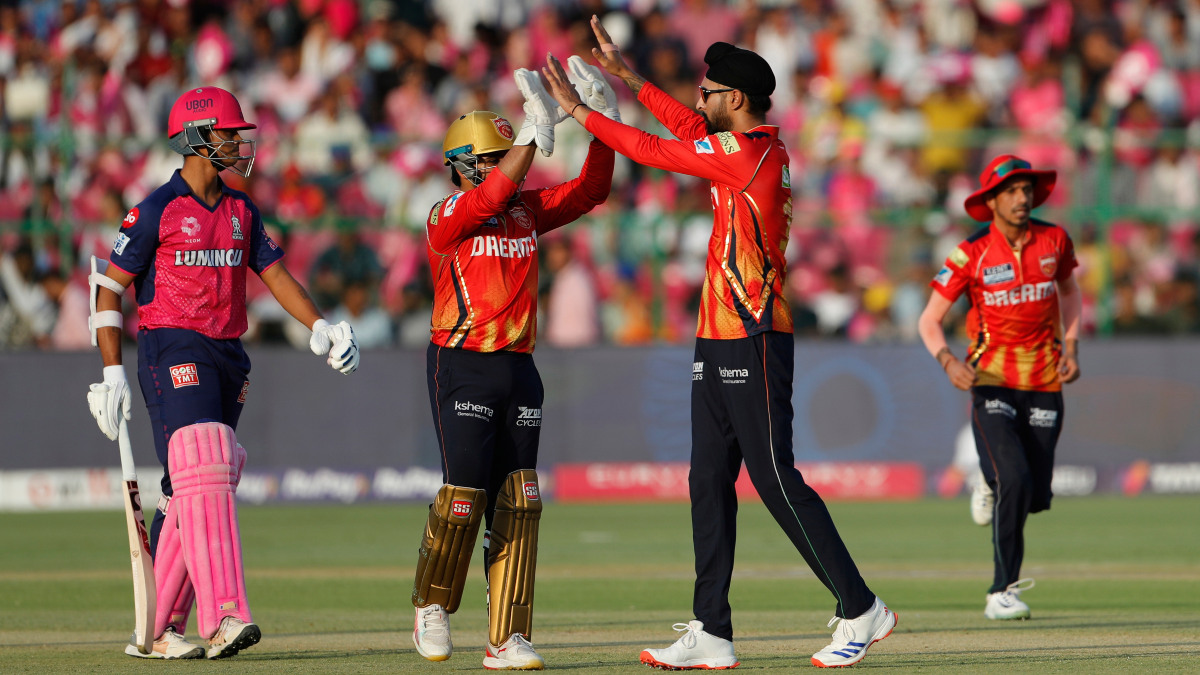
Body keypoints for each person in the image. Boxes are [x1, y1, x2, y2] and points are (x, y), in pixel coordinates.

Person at [542, 17, 896, 669]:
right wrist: (631, 78)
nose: (700, 99)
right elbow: (685, 130)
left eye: (708, 92)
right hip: (717, 337)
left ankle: (861, 606)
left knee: (774, 476)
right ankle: (711, 628)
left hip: (755, 335)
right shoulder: (745, 147)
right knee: (707, 479)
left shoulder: (749, 154)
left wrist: (576, 111)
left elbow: (654, 152)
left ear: (734, 99)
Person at [85, 86, 360, 660]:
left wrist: (320, 326)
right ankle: (225, 615)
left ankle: (157, 629)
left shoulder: (241, 210)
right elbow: (108, 287)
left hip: (228, 354)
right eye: (228, 134)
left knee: (196, 482)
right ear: (196, 137)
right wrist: (110, 373)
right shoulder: (156, 208)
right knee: (207, 457)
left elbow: (277, 275)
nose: (239, 143)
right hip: (170, 343)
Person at [409, 68, 615, 671]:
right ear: (463, 162)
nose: (509, 166)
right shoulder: (447, 215)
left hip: (520, 367)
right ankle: (433, 605)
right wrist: (529, 134)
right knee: (465, 494)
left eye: (509, 154)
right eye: (494, 156)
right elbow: (492, 196)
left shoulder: (525, 211)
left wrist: (601, 128)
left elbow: (590, 193)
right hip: (463, 364)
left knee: (521, 500)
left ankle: (507, 636)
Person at [917, 154, 1082, 620]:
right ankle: (1001, 591)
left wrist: (1072, 345)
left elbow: (1069, 292)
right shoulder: (969, 253)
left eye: (1027, 189)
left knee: (1033, 496)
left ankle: (988, 482)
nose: (1022, 197)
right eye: (1011, 190)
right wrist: (947, 359)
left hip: (1046, 378)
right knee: (1015, 478)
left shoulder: (1054, 239)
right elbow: (929, 320)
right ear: (990, 200)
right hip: (990, 380)